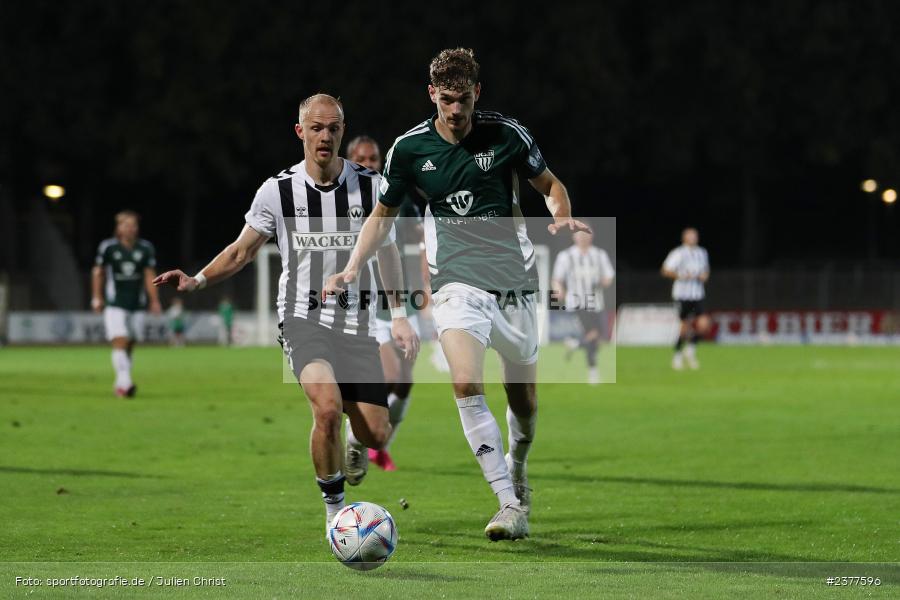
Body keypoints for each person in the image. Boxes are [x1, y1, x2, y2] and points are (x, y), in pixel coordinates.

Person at [326, 48, 590, 541]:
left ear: (477, 94)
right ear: (432, 95)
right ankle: (508, 503)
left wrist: (558, 213)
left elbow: (550, 183)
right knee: (466, 384)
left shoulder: (507, 134)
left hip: (515, 284)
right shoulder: (409, 150)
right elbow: (381, 218)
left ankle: (518, 464)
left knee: (525, 403)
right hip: (455, 283)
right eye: (446, 99)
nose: (455, 109)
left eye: (463, 98)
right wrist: (353, 264)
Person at [154, 94, 419, 536]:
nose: (325, 136)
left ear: (342, 131)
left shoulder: (373, 187)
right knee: (328, 409)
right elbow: (241, 251)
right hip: (302, 320)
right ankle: (336, 513)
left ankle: (356, 443)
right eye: (316, 128)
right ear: (300, 132)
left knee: (377, 433)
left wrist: (398, 315)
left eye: (333, 128)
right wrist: (197, 280)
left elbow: (388, 252)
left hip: (355, 326)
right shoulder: (276, 191)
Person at [345, 135, 423, 472]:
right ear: (349, 160)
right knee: (389, 373)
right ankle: (355, 437)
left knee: (405, 381)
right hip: (362, 304)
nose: (368, 163)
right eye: (361, 158)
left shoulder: (399, 199)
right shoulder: (339, 198)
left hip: (399, 302)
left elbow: (422, 245)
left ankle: (378, 444)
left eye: (374, 158)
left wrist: (429, 285)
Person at [91, 210, 161, 397]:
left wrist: (154, 300)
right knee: (120, 339)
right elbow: (98, 272)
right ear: (119, 228)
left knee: (130, 343)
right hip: (115, 303)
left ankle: (121, 383)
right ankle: (126, 382)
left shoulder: (145, 248)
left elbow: (149, 275)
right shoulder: (108, 247)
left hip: (137, 304)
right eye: (127, 225)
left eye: (134, 225)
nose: (131, 228)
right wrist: (97, 297)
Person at [552, 229, 615, 384]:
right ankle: (593, 372)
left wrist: (605, 281)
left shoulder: (599, 255)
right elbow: (556, 278)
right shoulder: (566, 256)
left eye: (586, 234)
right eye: (580, 234)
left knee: (597, 338)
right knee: (593, 332)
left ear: (591, 236)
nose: (583, 237)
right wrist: (558, 289)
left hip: (596, 302)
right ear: (574, 236)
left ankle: (575, 344)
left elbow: (609, 275)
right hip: (577, 301)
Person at [661, 227, 710, 370]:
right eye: (691, 236)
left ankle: (691, 349)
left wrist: (704, 276)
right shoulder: (678, 253)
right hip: (682, 295)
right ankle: (677, 355)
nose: (694, 238)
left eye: (695, 236)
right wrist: (682, 276)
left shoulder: (702, 252)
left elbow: (705, 270)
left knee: (704, 325)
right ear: (684, 238)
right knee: (684, 328)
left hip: (698, 294)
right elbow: (665, 270)